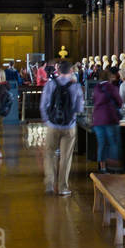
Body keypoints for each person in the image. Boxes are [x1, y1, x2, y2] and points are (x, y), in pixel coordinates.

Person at [40, 59, 84, 195]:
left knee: (49, 153)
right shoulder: (76, 86)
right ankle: (63, 187)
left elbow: (44, 105)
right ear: (71, 71)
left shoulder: (50, 84)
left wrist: (47, 120)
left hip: (53, 124)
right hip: (69, 125)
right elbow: (79, 107)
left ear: (58, 70)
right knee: (66, 157)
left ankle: (49, 183)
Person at [92, 67, 123, 173]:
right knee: (113, 143)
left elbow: (94, 101)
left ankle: (103, 167)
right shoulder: (111, 87)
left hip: (97, 119)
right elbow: (119, 102)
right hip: (110, 118)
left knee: (101, 144)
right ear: (110, 77)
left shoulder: (96, 87)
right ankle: (114, 167)